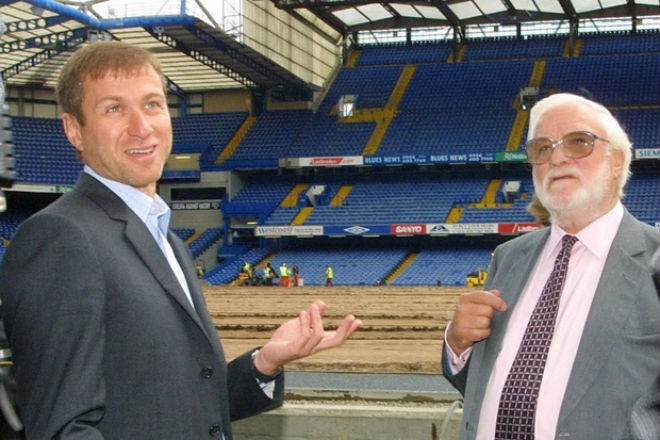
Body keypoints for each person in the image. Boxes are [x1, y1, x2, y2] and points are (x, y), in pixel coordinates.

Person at [0, 41, 362, 439]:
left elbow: (181, 406)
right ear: (74, 130)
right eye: (115, 109)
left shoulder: (166, 240)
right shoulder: (60, 237)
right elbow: (62, 429)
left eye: (152, 104)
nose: (142, 127)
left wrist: (264, 362)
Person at [443, 93, 660, 440]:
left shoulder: (653, 259)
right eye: (542, 148)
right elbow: (492, 386)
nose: (557, 157)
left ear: (616, 161)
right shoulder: (508, 257)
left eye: (579, 142)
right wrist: (458, 344)